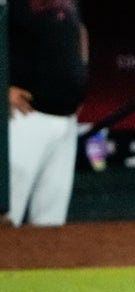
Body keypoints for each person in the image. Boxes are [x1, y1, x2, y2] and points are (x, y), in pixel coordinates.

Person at [6, 0, 88, 228]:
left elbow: (80, 32)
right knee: (7, 212)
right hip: (24, 117)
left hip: (66, 119)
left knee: (52, 221)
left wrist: (80, 78)